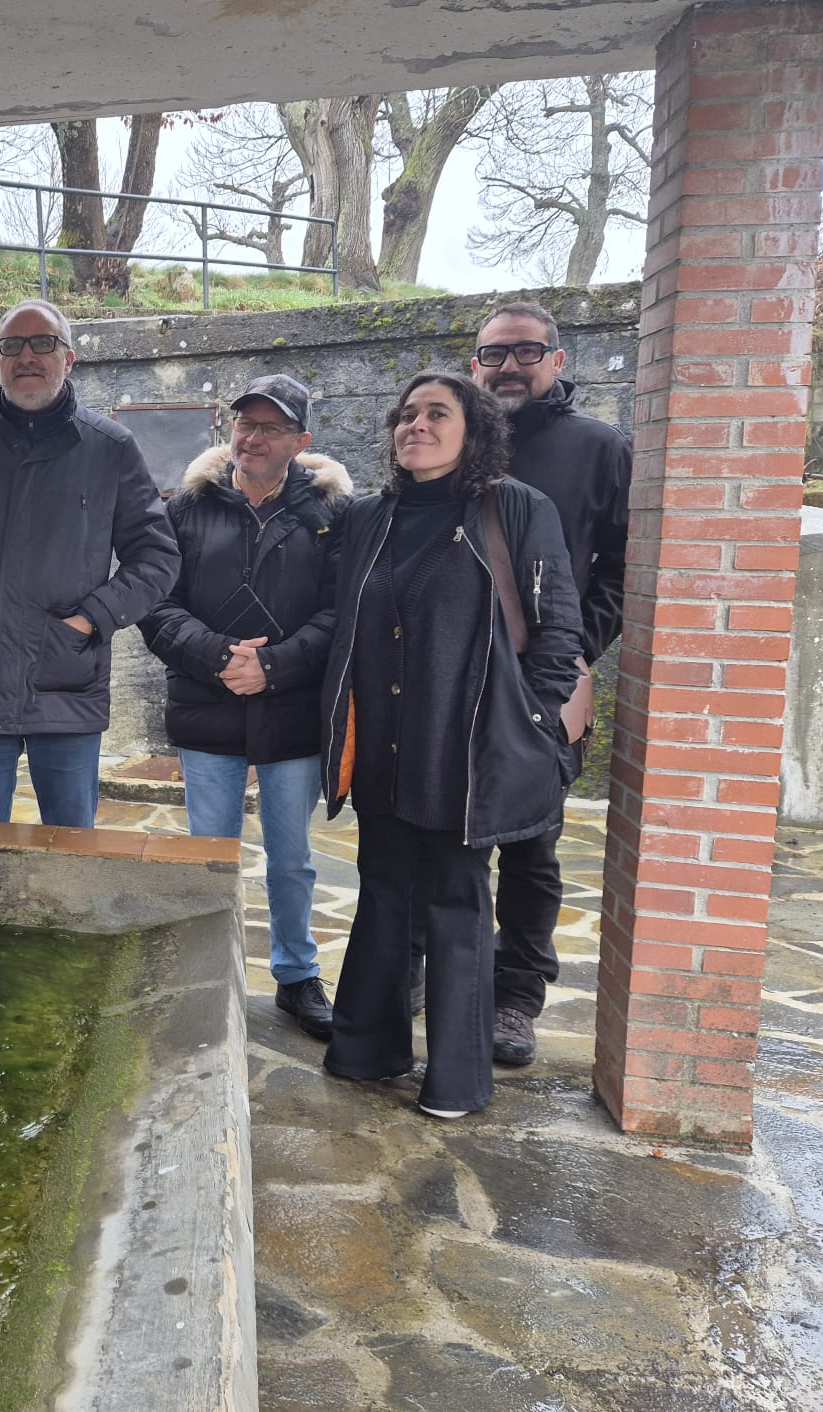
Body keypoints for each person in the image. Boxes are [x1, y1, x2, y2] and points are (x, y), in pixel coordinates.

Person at [318, 371, 582, 1118]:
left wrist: (530, 724)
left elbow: (558, 632)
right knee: (382, 892)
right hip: (381, 748)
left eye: (437, 413)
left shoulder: (514, 509)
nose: (417, 426)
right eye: (405, 414)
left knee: (457, 904)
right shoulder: (369, 517)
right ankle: (367, 1049)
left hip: (465, 748)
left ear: (475, 430)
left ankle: (456, 1080)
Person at [0, 299, 179, 828]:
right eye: (12, 345)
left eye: (42, 342)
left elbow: (156, 554)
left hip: (67, 680)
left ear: (69, 358)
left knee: (72, 852)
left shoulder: (110, 448)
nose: (26, 355)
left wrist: (90, 620)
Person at [140, 374, 351, 1041]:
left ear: (301, 442)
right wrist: (219, 657)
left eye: (271, 428)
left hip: (291, 712)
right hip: (208, 707)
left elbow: (343, 612)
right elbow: (156, 603)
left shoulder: (333, 515)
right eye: (244, 424)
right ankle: (211, 968)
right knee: (211, 853)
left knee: (291, 857)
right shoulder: (185, 510)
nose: (252, 437)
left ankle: (295, 974)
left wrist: (274, 666)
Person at [470, 301, 631, 1067]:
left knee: (532, 848)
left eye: (524, 352)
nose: (507, 367)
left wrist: (571, 651)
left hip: (545, 684)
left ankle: (515, 998)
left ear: (557, 361)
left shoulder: (600, 450)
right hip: (452, 680)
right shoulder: (451, 441)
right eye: (493, 355)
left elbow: (623, 571)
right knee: (443, 838)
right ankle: (438, 973)